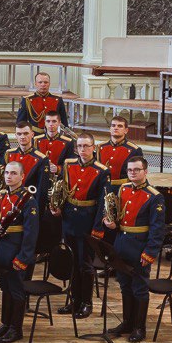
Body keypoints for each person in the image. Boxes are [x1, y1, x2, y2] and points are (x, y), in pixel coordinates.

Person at [97, 157, 164, 342]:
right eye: (130, 170)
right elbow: (117, 215)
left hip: (140, 247)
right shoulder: (123, 189)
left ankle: (139, 328)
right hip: (121, 244)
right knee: (125, 285)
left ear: (145, 171)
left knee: (139, 287)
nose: (133, 173)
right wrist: (110, 222)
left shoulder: (154, 196)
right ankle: (127, 322)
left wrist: (150, 253)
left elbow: (157, 230)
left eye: (137, 170)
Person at [54, 134, 110, 319]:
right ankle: (74, 301)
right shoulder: (69, 165)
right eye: (79, 146)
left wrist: (98, 228)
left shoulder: (102, 171)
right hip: (69, 220)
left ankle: (86, 302)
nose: (83, 150)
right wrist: (57, 207)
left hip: (87, 222)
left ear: (94, 148)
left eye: (86, 146)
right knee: (72, 262)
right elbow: (61, 189)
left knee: (85, 265)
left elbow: (103, 203)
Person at [0, 160, 39, 343]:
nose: (9, 176)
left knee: (16, 290)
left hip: (17, 250)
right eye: (7, 173)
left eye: (13, 173)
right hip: (1, 248)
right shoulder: (2, 195)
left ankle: (16, 329)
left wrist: (23, 257)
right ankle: (5, 324)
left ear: (22, 176)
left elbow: (31, 233)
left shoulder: (29, 200)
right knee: (5, 289)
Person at [97, 115, 144, 191]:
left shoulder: (134, 150)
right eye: (113, 125)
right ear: (110, 129)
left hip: (123, 189)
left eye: (120, 126)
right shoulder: (100, 147)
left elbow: (138, 176)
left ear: (126, 130)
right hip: (102, 189)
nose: (116, 128)